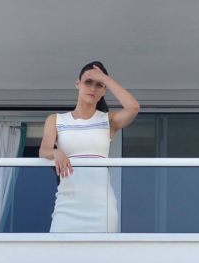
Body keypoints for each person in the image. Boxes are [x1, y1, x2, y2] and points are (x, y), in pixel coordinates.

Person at [39, 61, 140, 232]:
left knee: (102, 258)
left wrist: (106, 79)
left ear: (104, 90)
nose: (93, 88)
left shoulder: (108, 121)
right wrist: (56, 152)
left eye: (99, 85)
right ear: (77, 84)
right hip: (67, 205)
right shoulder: (56, 120)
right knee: (59, 256)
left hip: (101, 208)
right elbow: (44, 150)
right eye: (88, 82)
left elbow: (133, 107)